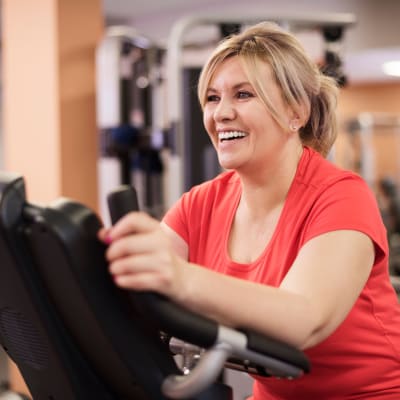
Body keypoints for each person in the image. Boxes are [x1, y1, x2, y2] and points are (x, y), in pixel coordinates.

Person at [99, 22, 400, 399]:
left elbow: (304, 319)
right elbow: (135, 289)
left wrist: (179, 278)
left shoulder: (341, 196)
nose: (221, 114)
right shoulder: (200, 204)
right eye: (212, 98)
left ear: (296, 112)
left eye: (243, 95)